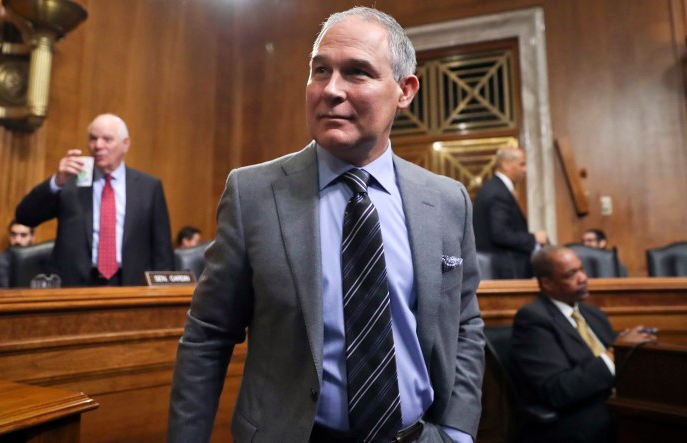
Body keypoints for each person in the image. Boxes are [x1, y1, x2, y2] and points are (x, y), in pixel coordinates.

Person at [168, 7, 484, 443]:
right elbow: (208, 336)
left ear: (405, 90)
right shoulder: (254, 193)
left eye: (357, 73)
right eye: (320, 70)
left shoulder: (447, 200)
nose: (330, 90)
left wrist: (457, 431)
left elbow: (465, 323)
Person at [511, 246, 656, 443]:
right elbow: (557, 390)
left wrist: (635, 349)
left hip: (617, 404)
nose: (583, 278)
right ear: (547, 283)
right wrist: (615, 353)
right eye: (571, 274)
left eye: (582, 269)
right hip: (576, 419)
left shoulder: (593, 314)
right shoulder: (533, 319)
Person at [15, 113, 174, 287]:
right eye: (93, 139)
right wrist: (56, 181)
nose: (98, 146)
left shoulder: (148, 187)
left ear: (125, 144)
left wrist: (162, 292)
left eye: (107, 139)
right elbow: (25, 216)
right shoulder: (69, 183)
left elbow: (162, 248)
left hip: (130, 285)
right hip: (76, 286)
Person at [473, 147, 548, 279]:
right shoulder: (498, 192)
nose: (525, 170)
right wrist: (534, 238)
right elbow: (500, 234)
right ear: (506, 165)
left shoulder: (496, 187)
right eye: (522, 164)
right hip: (504, 268)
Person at [0, 221, 35, 288]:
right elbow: (7, 294)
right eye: (13, 235)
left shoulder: (39, 261)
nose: (17, 240)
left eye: (23, 235)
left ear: (32, 237)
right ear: (9, 237)